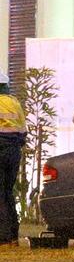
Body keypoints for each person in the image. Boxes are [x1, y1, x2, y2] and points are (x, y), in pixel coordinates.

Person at [0, 71, 26, 246]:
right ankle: (13, 236)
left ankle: (3, 237)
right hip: (14, 151)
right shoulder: (15, 103)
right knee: (9, 192)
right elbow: (23, 131)